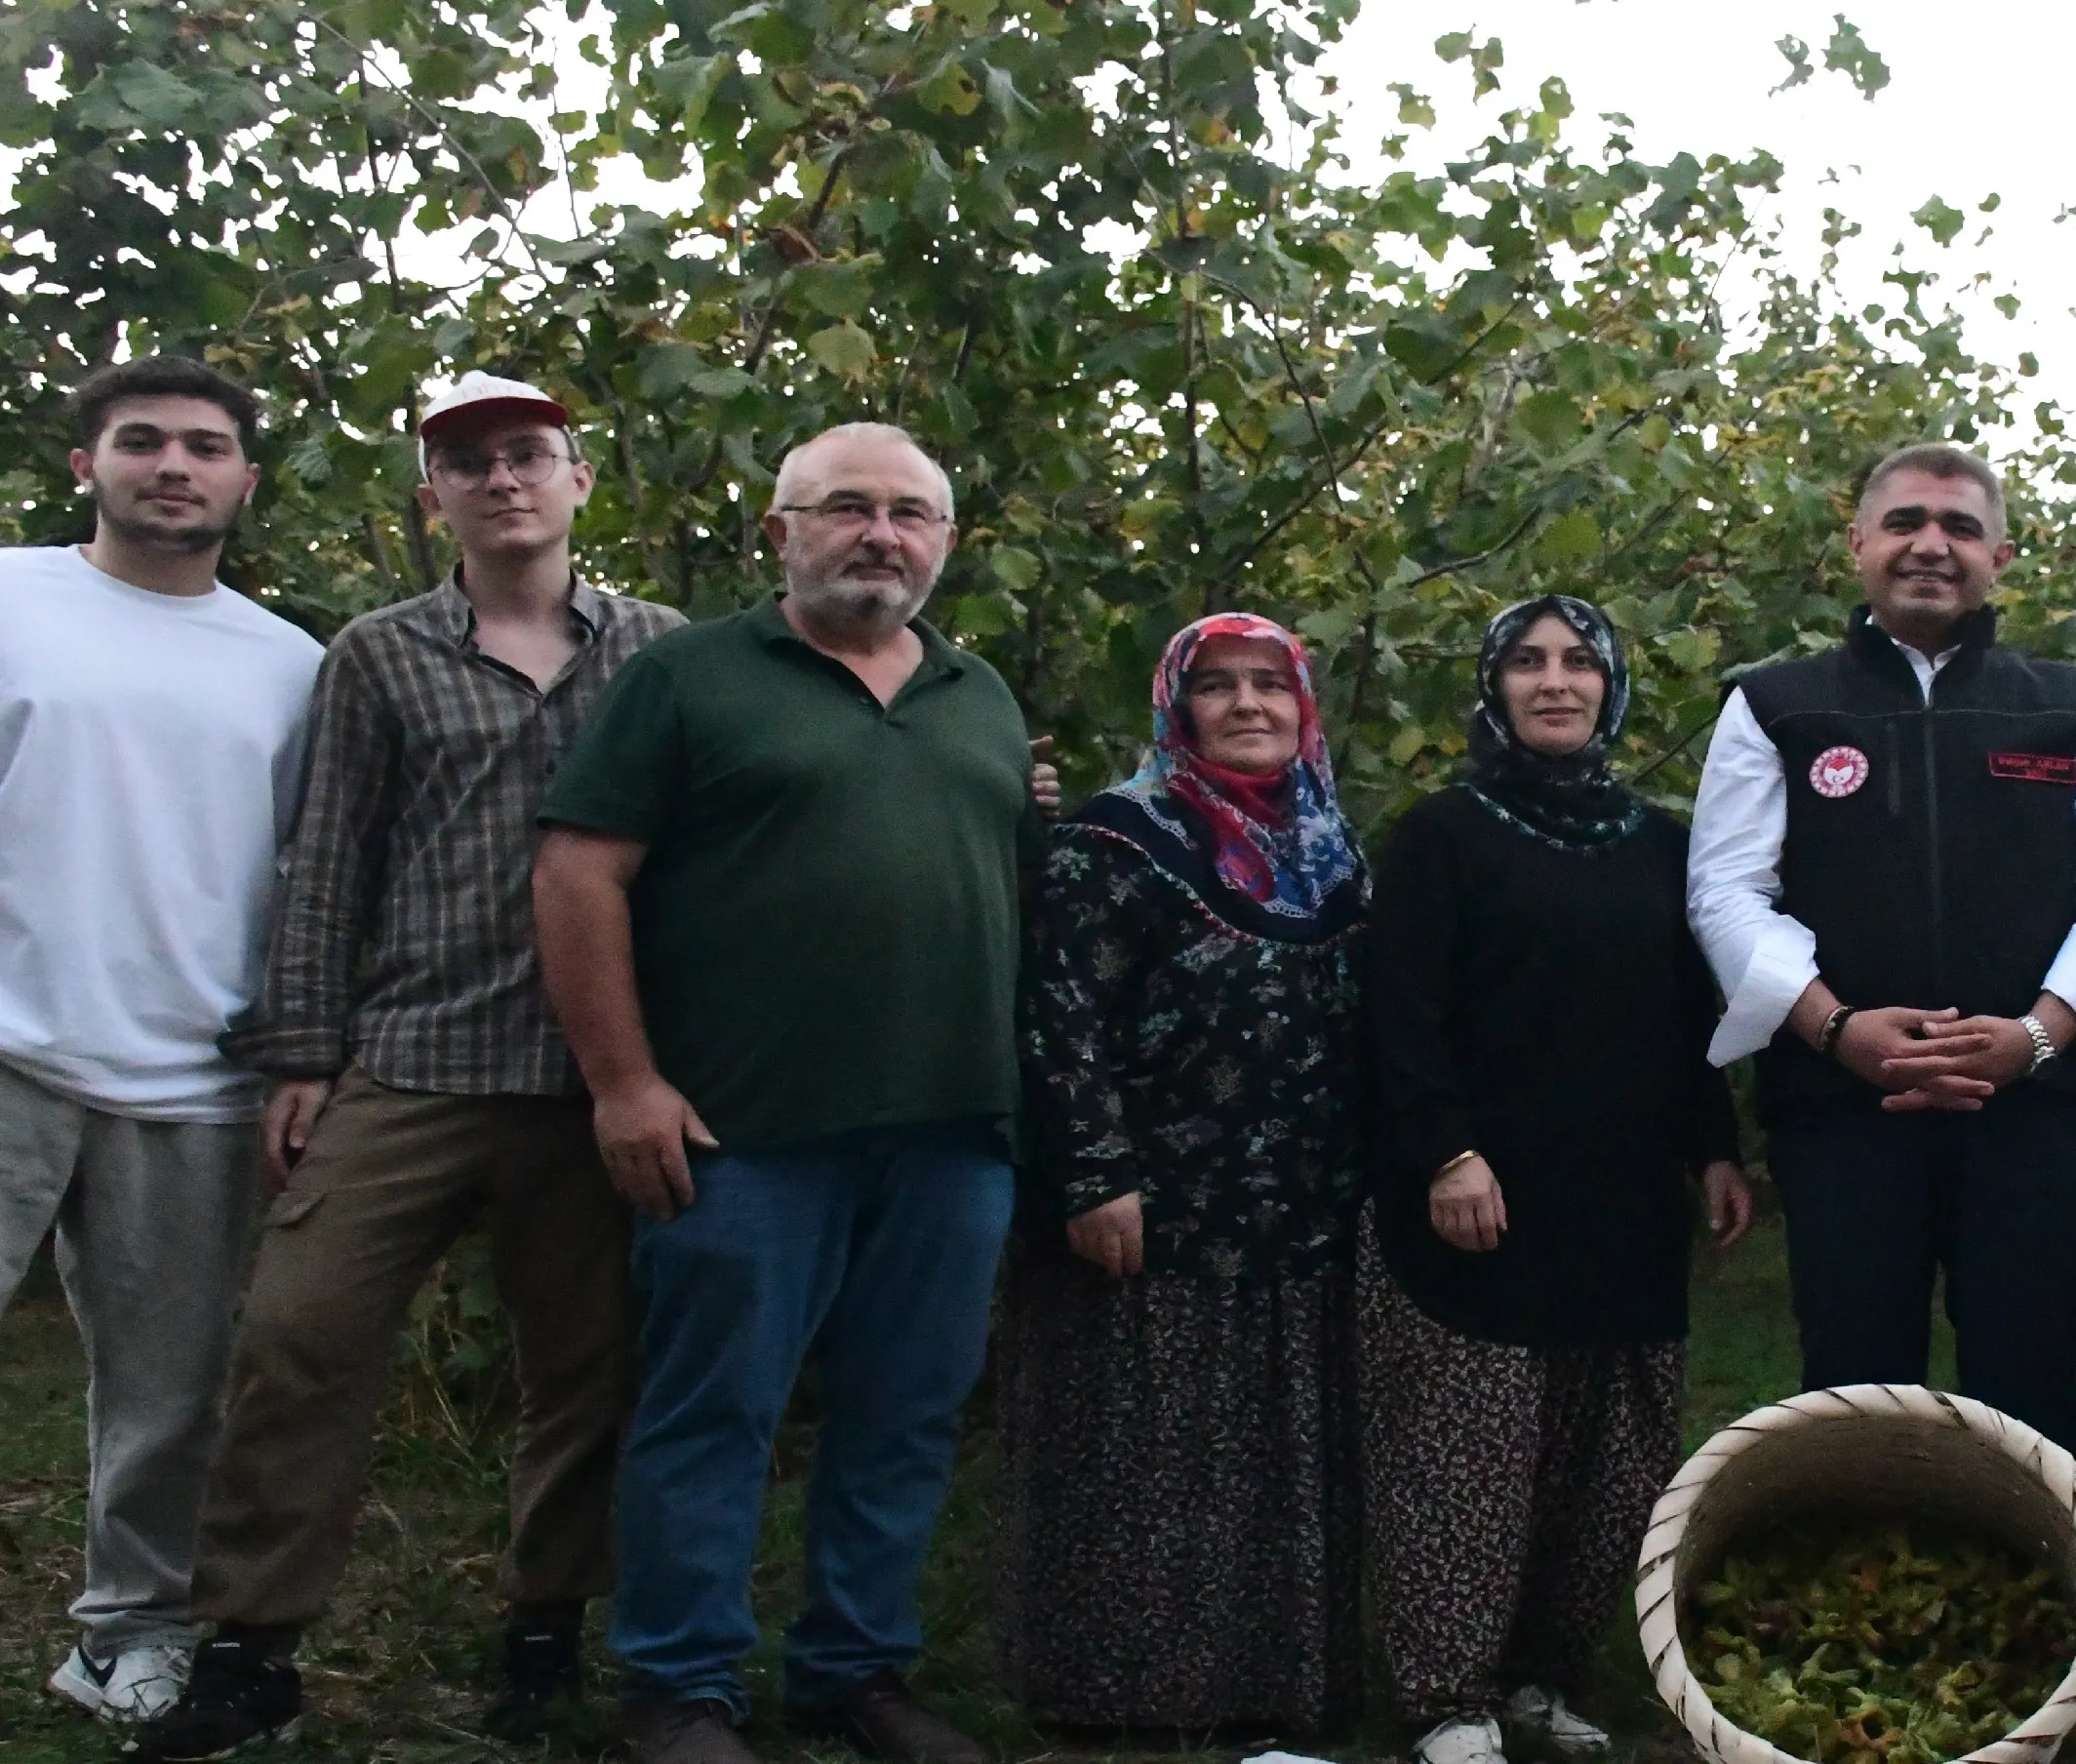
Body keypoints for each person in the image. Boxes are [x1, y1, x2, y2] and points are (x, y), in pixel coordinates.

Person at [112, 373, 684, 1759]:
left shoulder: (664, 652)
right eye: (470, 463)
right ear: (434, 494)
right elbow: (326, 865)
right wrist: (303, 1050)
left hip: (586, 1077)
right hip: (413, 1061)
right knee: (298, 1340)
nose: (503, 481)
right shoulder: (378, 653)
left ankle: (545, 1629)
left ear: (578, 480)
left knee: (586, 1370)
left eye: (528, 456)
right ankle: (252, 1647)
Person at [534, 422, 1036, 1764]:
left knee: (903, 1411)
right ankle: (678, 1686)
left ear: (944, 540)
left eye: (913, 514)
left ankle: (852, 1670)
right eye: (849, 509)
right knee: (716, 1410)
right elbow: (581, 876)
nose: (883, 535)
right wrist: (623, 1082)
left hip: (949, 1132)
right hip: (741, 1131)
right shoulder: (690, 678)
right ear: (781, 533)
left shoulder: (977, 691)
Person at [1685, 442, 2076, 1458]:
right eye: (1904, 521)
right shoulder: (1775, 703)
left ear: (2002, 553)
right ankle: (1867, 1603)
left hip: (2032, 1108)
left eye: (1958, 527)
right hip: (1843, 1108)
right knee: (1854, 1388)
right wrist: (1836, 1027)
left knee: (2028, 1380)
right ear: (1858, 542)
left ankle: (2042, 1613)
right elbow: (1727, 889)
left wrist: (2038, 1034)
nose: (1930, 546)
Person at [1359, 596, 1755, 1764]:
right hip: (1478, 1196)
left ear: (1610, 686)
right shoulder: (1442, 833)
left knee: (1606, 1452)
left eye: (1579, 661)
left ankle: (1546, 1674)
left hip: (1623, 1200)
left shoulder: (1657, 841)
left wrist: (1715, 1144)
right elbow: (1401, 1013)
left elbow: (1690, 1011)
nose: (1555, 681)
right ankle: (1448, 1696)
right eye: (1527, 661)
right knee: (1468, 1451)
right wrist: (1443, 1149)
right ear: (1494, 685)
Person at [0, 356, 322, 1726]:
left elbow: (314, 876)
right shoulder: (11, 596)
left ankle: (127, 1633)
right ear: (89, 465)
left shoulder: (296, 665)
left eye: (204, 447)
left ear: (245, 480)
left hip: (195, 1080)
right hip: (8, 1051)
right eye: (143, 442)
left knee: (170, 1397)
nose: (173, 466)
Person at [1000, 612, 1367, 1744]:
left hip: (1301, 1208)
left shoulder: (1331, 847)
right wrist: (1095, 1170)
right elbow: (1061, 1018)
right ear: (1177, 706)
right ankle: (1126, 1686)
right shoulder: (1120, 837)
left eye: (1274, 685)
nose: (1251, 705)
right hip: (1154, 1205)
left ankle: (1276, 1682)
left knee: (1276, 1451)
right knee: (1150, 1447)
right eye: (1219, 686)